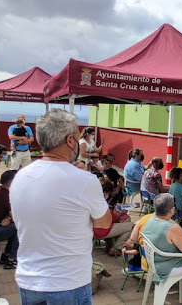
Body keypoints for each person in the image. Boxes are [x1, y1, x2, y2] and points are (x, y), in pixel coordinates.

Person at [9, 109, 112, 304]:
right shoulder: (84, 181)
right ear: (70, 141)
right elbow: (104, 224)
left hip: (28, 280)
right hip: (68, 282)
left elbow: (21, 218)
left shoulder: (20, 177)